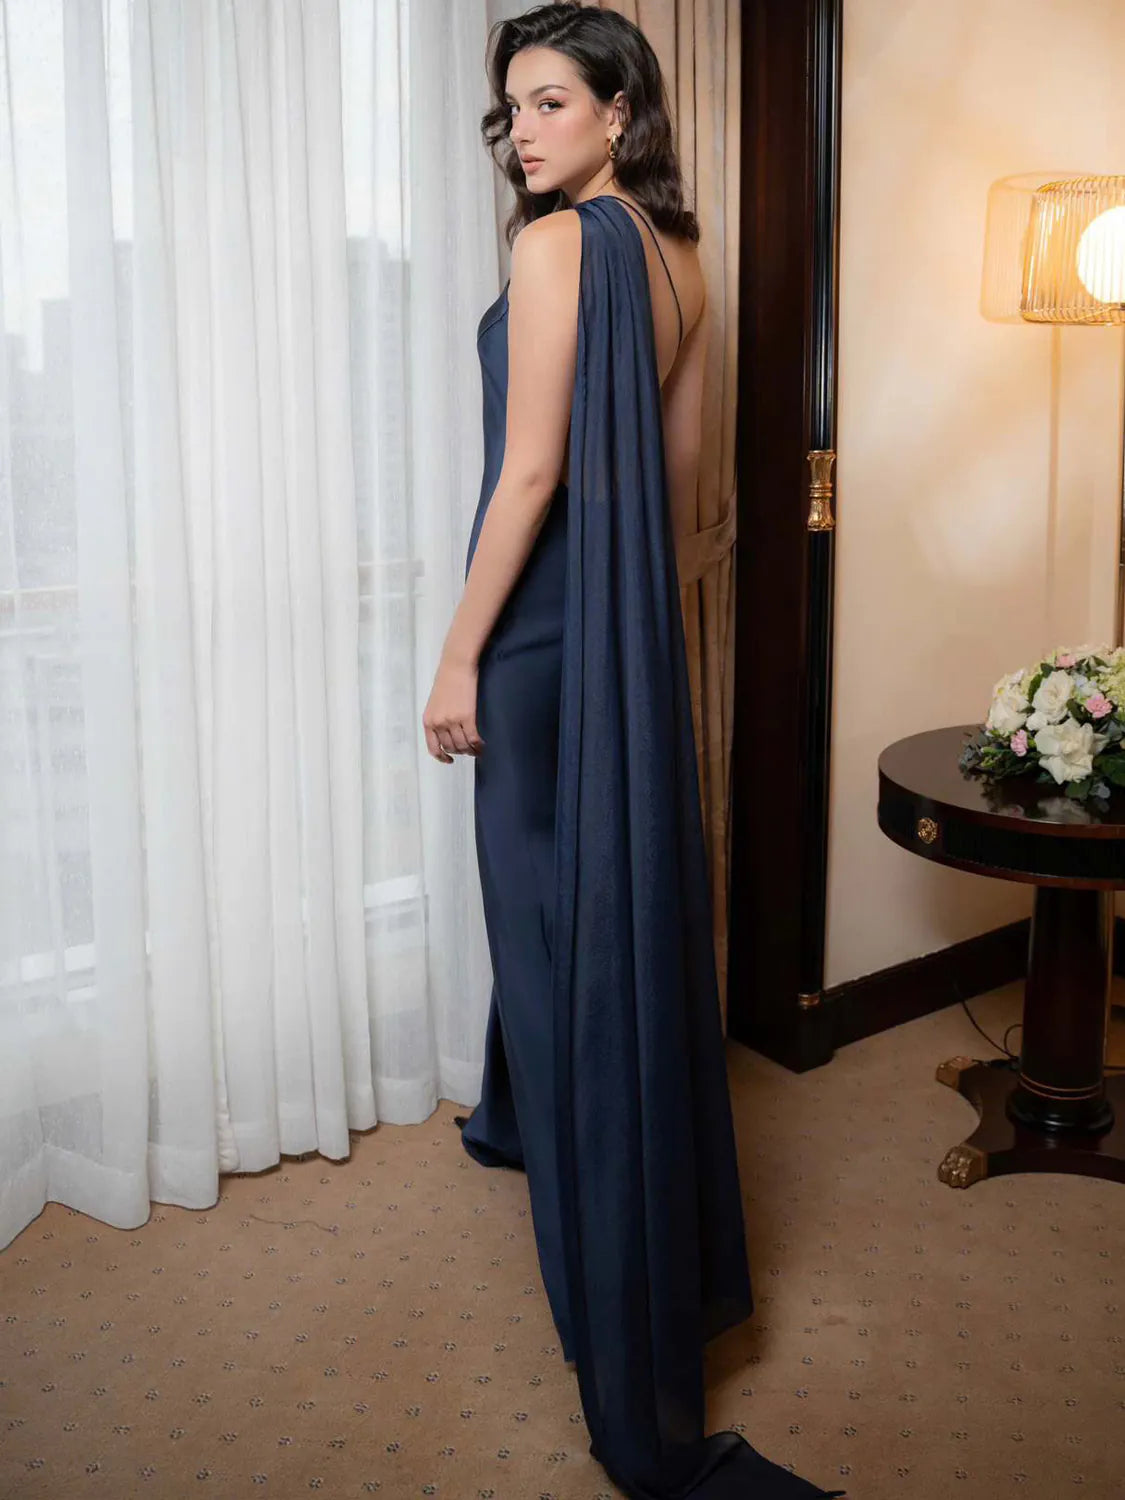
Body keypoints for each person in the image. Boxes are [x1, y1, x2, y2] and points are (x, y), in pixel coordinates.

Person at [422, 5, 845, 1497]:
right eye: (511, 108)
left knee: (552, 945)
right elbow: (674, 496)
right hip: (617, 642)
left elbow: (532, 466)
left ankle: (594, 1239)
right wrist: (629, 648)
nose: (523, 131)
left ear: (619, 112)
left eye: (549, 102)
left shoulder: (555, 249)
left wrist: (464, 650)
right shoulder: (682, 262)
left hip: (535, 650)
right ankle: (530, 1126)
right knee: (597, 929)